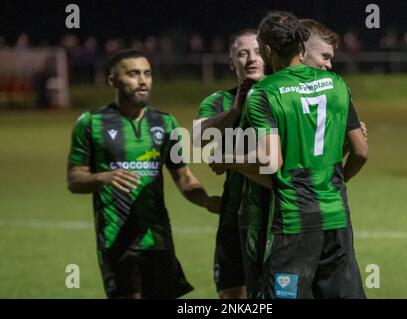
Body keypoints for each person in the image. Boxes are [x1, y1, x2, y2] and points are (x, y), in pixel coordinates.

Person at [217, 11, 368, 299]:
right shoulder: (337, 84)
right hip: (337, 217)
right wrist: (337, 181)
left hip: (295, 223)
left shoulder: (264, 93)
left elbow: (272, 162)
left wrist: (229, 161)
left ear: (268, 50)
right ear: (301, 46)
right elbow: (361, 151)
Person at [67, 49, 220, 299]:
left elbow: (183, 177)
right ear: (112, 81)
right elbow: (74, 179)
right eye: (133, 74)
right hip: (116, 240)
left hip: (158, 238)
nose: (142, 80)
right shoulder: (90, 123)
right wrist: (103, 178)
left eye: (147, 74)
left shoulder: (165, 123)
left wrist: (206, 201)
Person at [194, 29, 265, 299]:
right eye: (242, 53)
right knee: (232, 296)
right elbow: (199, 138)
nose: (251, 59)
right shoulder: (218, 101)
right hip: (233, 216)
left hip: (275, 217)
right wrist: (235, 110)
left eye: (258, 51)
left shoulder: (282, 97)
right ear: (231, 62)